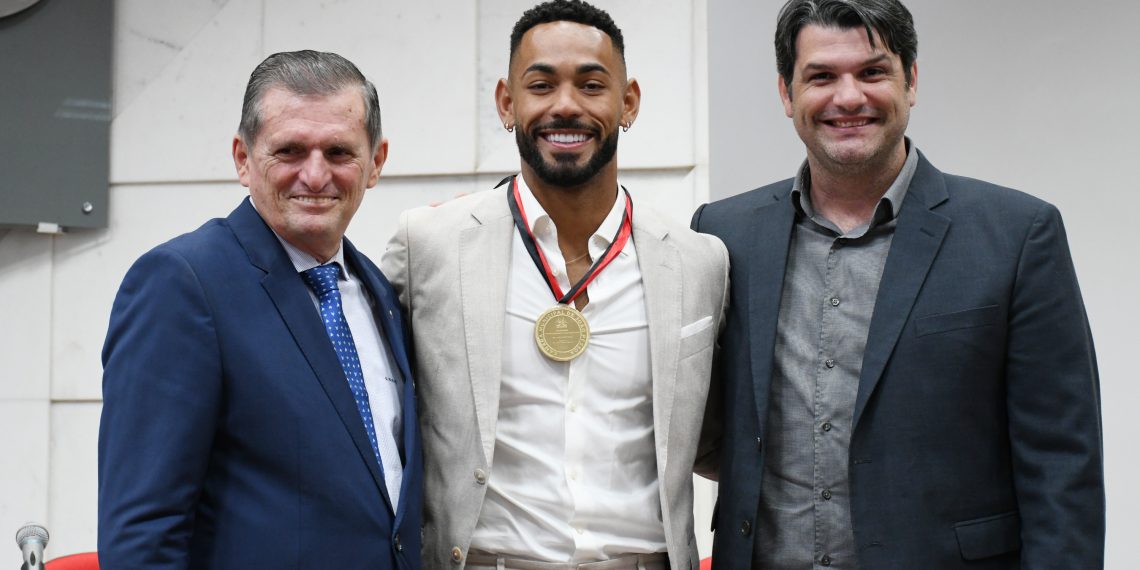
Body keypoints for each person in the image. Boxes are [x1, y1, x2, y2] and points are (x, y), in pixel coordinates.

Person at [692, 0, 1104, 568]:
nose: (848, 97)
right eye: (821, 76)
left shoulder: (1017, 236)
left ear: (910, 81)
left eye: (872, 72)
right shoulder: (723, 234)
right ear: (787, 93)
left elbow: (1062, 463)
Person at [382, 1, 728, 568]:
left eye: (592, 85)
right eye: (540, 85)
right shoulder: (430, 245)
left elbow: (719, 438)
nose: (565, 106)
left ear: (628, 102)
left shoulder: (698, 262)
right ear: (506, 102)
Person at [98, 50, 422, 569]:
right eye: (289, 151)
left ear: (376, 162)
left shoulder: (379, 292)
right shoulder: (182, 284)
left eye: (339, 152)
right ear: (243, 159)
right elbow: (144, 533)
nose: (314, 175)